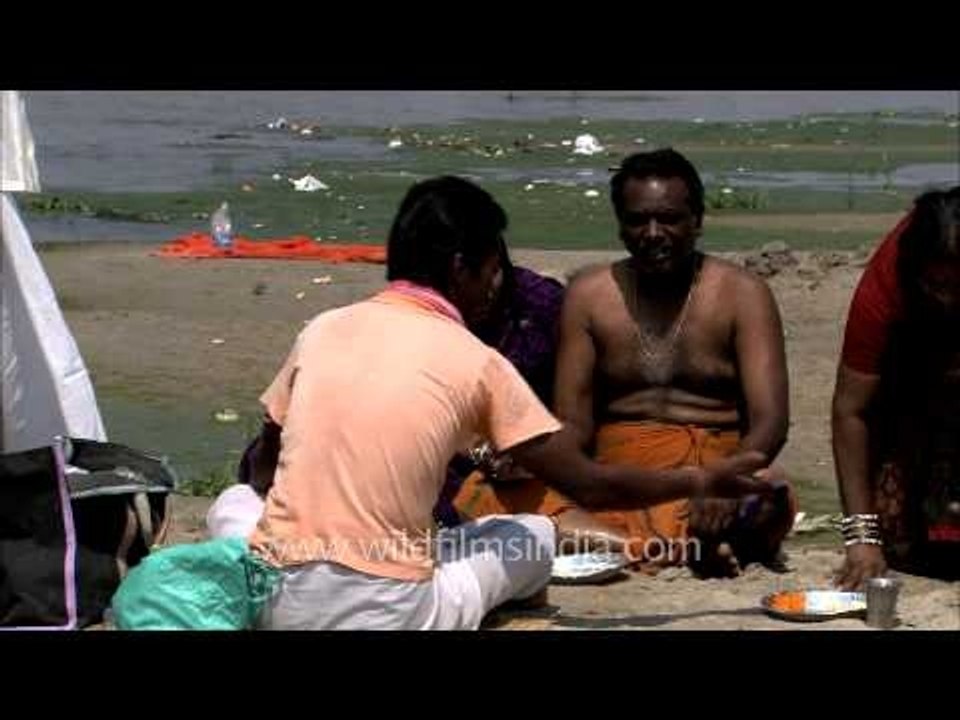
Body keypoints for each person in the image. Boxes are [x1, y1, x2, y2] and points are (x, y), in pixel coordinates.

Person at [232, 175, 774, 629]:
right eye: (492, 269)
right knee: (531, 536)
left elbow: (262, 471)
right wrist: (701, 480)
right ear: (460, 268)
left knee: (233, 504)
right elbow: (588, 485)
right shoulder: (477, 359)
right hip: (394, 609)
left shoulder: (321, 329)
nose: (496, 285)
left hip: (276, 598)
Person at [452, 149, 795, 575]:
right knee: (482, 492)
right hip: (618, 482)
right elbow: (574, 422)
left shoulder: (743, 293)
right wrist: (530, 458)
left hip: (713, 478)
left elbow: (771, 422)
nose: (653, 233)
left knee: (770, 494)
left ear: (697, 220)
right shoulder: (589, 295)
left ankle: (626, 543)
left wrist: (724, 480)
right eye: (637, 221)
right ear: (620, 226)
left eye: (668, 219)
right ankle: (654, 548)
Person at [833, 186, 960, 589]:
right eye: (937, 285)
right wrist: (861, 537)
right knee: (907, 538)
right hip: (914, 394)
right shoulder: (888, 280)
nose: (949, 300)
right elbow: (850, 411)